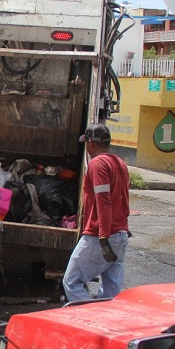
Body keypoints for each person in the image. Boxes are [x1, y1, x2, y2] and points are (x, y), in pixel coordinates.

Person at [63, 124, 130, 302]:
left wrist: (103, 238)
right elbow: (123, 198)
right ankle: (105, 324)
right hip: (120, 235)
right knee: (110, 294)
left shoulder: (97, 164)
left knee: (72, 281)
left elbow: (103, 200)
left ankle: (89, 320)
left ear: (91, 143)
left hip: (100, 236)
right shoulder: (120, 164)